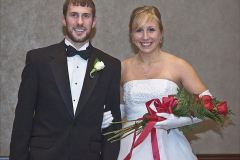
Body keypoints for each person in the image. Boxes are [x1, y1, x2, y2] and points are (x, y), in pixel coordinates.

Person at [10, 0, 121, 160]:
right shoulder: (38, 60)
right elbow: (23, 119)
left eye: (86, 16)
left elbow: (113, 126)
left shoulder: (111, 65)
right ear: (64, 19)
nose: (80, 22)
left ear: (94, 21)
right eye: (74, 15)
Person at [118, 6, 212, 160]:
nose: (145, 36)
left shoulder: (179, 65)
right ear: (131, 36)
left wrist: (176, 120)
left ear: (161, 34)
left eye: (151, 29)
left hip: (170, 145)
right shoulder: (122, 67)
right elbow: (113, 106)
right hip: (130, 144)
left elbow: (210, 106)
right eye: (139, 30)